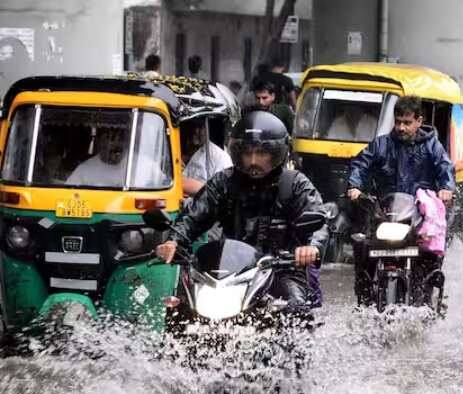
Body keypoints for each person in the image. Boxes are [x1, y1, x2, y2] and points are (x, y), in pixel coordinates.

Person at [155, 111, 327, 311]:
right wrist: (173, 241)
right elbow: (195, 214)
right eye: (247, 153)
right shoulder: (223, 182)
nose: (253, 160)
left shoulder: (294, 184)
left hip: (281, 269)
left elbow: (319, 221)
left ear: (276, 153)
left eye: (261, 153)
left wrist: (312, 247)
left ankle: (300, 341)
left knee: (295, 308)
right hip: (228, 270)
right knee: (181, 308)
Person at [346, 95, 455, 305]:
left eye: (407, 122)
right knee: (362, 244)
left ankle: (429, 297)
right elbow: (360, 164)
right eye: (398, 122)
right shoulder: (381, 144)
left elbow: (445, 168)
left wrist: (446, 188)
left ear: (419, 121)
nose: (401, 127)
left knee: (430, 253)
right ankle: (365, 296)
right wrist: (354, 186)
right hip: (385, 212)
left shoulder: (432, 146)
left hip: (418, 213)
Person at [67, 127, 167, 188]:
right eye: (110, 138)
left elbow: (165, 186)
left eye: (121, 139)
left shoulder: (146, 166)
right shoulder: (85, 170)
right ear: (100, 141)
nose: (116, 144)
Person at [181, 118, 233, 195]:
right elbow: (183, 179)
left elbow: (219, 191)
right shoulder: (197, 153)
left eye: (200, 127)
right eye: (194, 127)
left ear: (208, 130)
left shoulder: (220, 157)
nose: (196, 131)